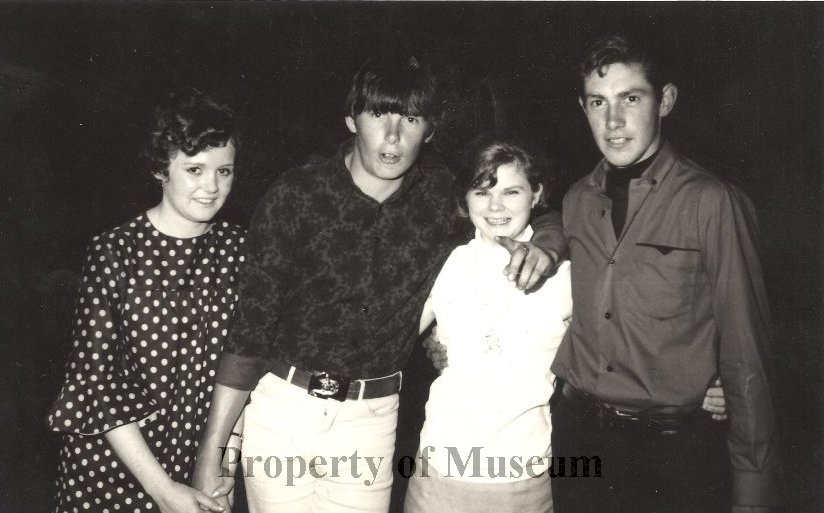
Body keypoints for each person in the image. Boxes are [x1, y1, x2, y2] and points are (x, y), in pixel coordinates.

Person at [192, 51, 566, 513]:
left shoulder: (442, 198)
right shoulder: (296, 194)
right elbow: (249, 332)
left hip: (370, 421)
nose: (392, 135)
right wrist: (212, 451)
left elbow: (518, 206)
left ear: (429, 129)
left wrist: (548, 242)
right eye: (378, 114)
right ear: (352, 119)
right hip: (282, 411)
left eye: (410, 118)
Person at [549, 34, 778, 513]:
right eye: (598, 102)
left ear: (665, 101)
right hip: (577, 439)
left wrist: (753, 491)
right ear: (583, 108)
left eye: (631, 98)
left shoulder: (712, 202)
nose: (613, 121)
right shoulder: (575, 201)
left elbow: (747, 351)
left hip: (672, 457)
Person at [48, 88, 244, 513]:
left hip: (200, 465)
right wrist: (163, 490)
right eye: (195, 169)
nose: (212, 186)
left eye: (224, 171)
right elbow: (93, 383)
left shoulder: (239, 250)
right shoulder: (114, 251)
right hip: (115, 469)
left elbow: (243, 366)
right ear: (160, 169)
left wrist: (224, 467)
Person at [404, 137, 572, 513]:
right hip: (439, 469)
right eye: (482, 192)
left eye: (511, 191)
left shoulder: (566, 272)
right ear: (464, 199)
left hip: (524, 476)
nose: (495, 206)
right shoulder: (446, 261)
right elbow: (393, 333)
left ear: (536, 194)